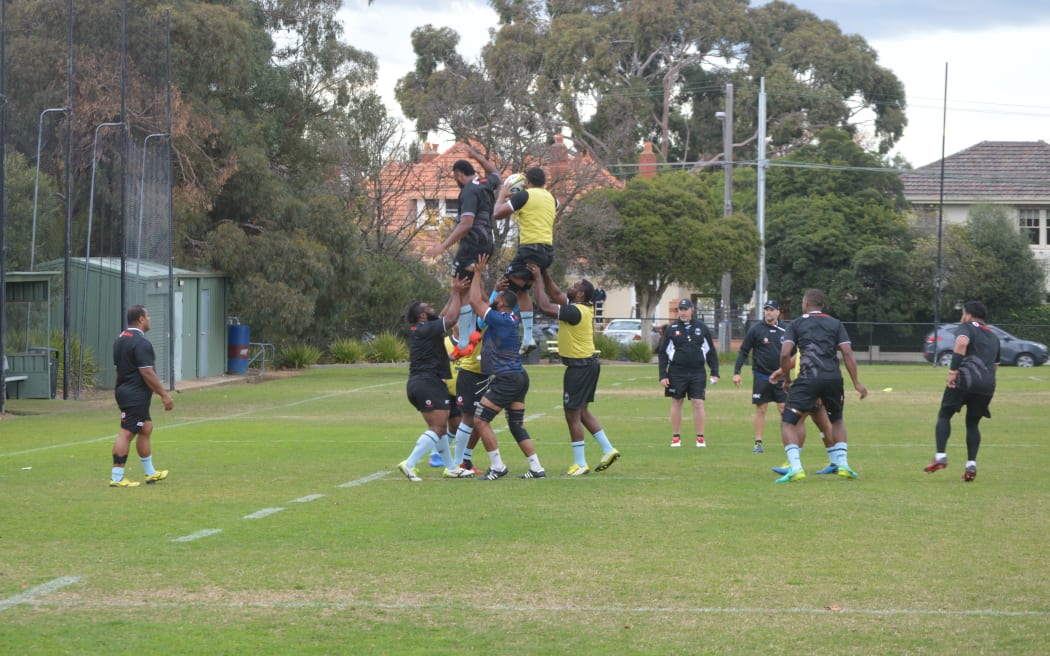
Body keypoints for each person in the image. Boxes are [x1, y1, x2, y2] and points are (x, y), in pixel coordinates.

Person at [528, 263, 621, 476]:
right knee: (583, 412)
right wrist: (543, 272)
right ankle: (608, 449)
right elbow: (556, 292)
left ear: (580, 294)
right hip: (588, 365)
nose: (571, 287)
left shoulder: (574, 311)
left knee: (572, 415)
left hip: (579, 368)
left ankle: (580, 463)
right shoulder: (583, 307)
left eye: (575, 286)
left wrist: (537, 280)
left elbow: (544, 305)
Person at [466, 253, 546, 480]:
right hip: (519, 376)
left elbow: (475, 302)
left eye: (498, 298)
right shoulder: (510, 317)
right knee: (516, 425)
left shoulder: (498, 319)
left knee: (480, 421)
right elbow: (487, 304)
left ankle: (498, 467)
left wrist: (478, 273)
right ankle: (537, 468)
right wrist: (494, 291)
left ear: (501, 304)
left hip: (506, 378)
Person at [776, 289, 868, 483]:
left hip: (807, 378)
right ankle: (843, 464)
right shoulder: (835, 324)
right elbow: (847, 352)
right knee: (836, 420)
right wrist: (857, 383)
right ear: (823, 306)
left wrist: (786, 379)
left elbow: (785, 354)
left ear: (806, 304)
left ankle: (796, 467)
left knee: (788, 422)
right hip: (833, 379)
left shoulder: (797, 323)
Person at [423, 143, 500, 356]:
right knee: (470, 289)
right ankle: (472, 335)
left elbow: (466, 223)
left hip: (472, 244)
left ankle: (465, 339)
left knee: (462, 288)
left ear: (458, 174)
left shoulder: (468, 191)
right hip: (487, 244)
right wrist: (477, 155)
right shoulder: (485, 182)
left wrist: (442, 246)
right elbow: (495, 172)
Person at [397, 280, 475, 481]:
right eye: (427, 308)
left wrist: (453, 292)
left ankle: (450, 467)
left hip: (421, 384)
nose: (432, 309)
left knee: (439, 430)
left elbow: (443, 316)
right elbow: (449, 319)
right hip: (427, 383)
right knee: (438, 428)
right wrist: (457, 294)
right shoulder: (424, 329)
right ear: (422, 315)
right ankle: (409, 463)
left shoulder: (423, 328)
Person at [924, 301, 1000, 482]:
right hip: (987, 384)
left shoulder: (966, 327)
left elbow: (961, 344)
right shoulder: (994, 336)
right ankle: (971, 464)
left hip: (964, 379)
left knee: (944, 414)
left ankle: (941, 457)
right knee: (973, 424)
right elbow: (995, 365)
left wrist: (952, 372)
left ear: (968, 315)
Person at [493, 167, 557, 355]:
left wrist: (502, 195)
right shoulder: (551, 198)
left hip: (530, 250)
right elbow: (555, 205)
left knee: (504, 290)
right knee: (521, 292)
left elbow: (497, 213)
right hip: (547, 252)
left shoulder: (525, 196)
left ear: (527, 182)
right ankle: (528, 337)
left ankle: (496, 340)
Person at [108, 305, 174, 488]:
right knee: (127, 432)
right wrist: (164, 394)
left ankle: (151, 473)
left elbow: (117, 370)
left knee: (146, 428)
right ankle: (117, 477)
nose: (150, 319)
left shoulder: (120, 340)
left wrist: (121, 390)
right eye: (149, 316)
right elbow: (147, 372)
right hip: (135, 394)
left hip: (125, 391)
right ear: (141, 319)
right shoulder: (141, 342)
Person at [658, 298, 720, 448]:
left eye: (685, 309)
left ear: (692, 310)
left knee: (698, 403)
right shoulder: (672, 329)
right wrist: (663, 375)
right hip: (676, 372)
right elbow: (663, 353)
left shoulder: (702, 328)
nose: (683, 312)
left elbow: (710, 351)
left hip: (697, 372)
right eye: (680, 309)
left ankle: (700, 437)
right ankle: (676, 437)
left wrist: (714, 372)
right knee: (676, 402)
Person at [733, 300, 787, 453]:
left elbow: (795, 353)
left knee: (783, 409)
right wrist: (737, 372)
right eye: (766, 310)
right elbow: (743, 351)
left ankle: (788, 442)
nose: (768, 312)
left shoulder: (786, 330)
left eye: (771, 310)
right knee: (761, 408)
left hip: (781, 377)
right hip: (761, 376)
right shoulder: (756, 330)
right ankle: (758, 442)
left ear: (778, 312)